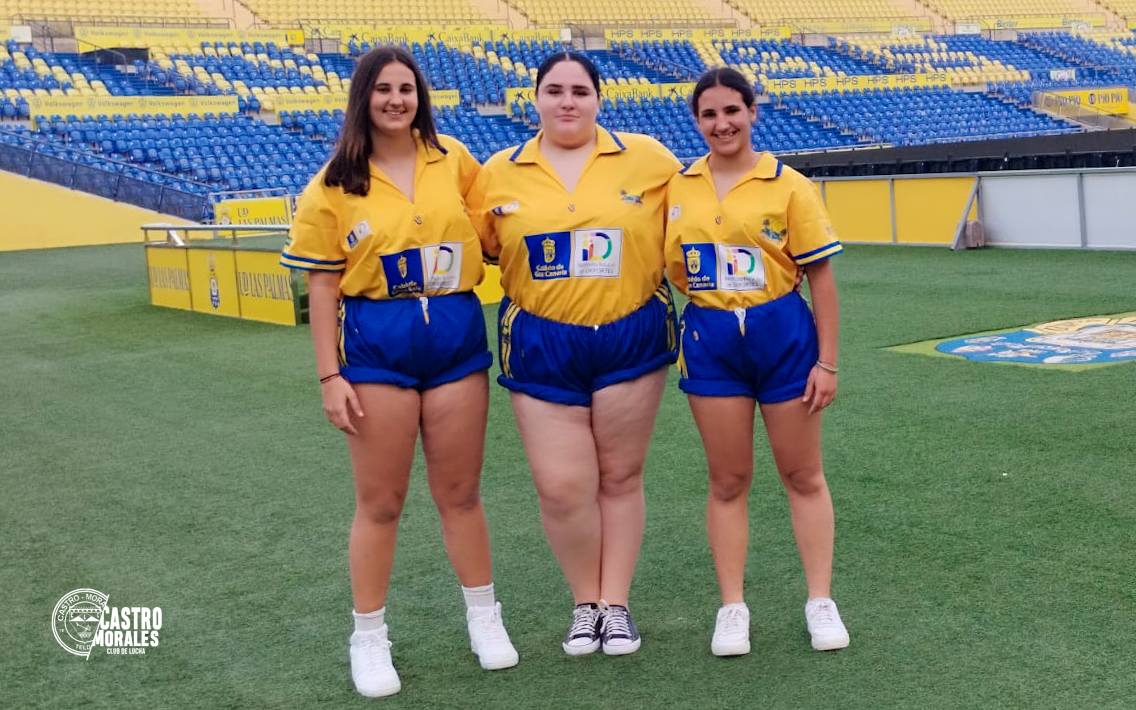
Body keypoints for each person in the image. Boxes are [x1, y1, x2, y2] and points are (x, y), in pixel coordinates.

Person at [279, 46, 518, 697]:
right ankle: (369, 636)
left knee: (461, 493)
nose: (395, 100)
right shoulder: (333, 183)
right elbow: (322, 287)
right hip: (378, 351)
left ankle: (484, 617)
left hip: (456, 343)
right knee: (381, 502)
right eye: (383, 89)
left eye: (406, 89)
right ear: (363, 97)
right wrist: (330, 377)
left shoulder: (454, 159)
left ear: (420, 97)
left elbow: (494, 233)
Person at [466, 51, 681, 656]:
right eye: (555, 90)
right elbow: (486, 247)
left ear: (598, 99)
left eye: (580, 91)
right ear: (535, 98)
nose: (567, 101)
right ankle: (584, 601)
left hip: (630, 331)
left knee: (620, 475)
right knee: (562, 486)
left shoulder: (649, 159)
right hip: (541, 339)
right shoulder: (498, 172)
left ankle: (616, 604)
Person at [664, 67, 850, 657]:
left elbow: (821, 277)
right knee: (728, 480)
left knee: (803, 474)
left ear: (752, 113)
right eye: (709, 114)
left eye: (732, 111)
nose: (722, 124)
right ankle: (732, 608)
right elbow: (674, 268)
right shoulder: (679, 186)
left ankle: (820, 600)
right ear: (697, 122)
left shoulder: (788, 185)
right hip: (711, 338)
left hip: (783, 337)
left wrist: (827, 362)